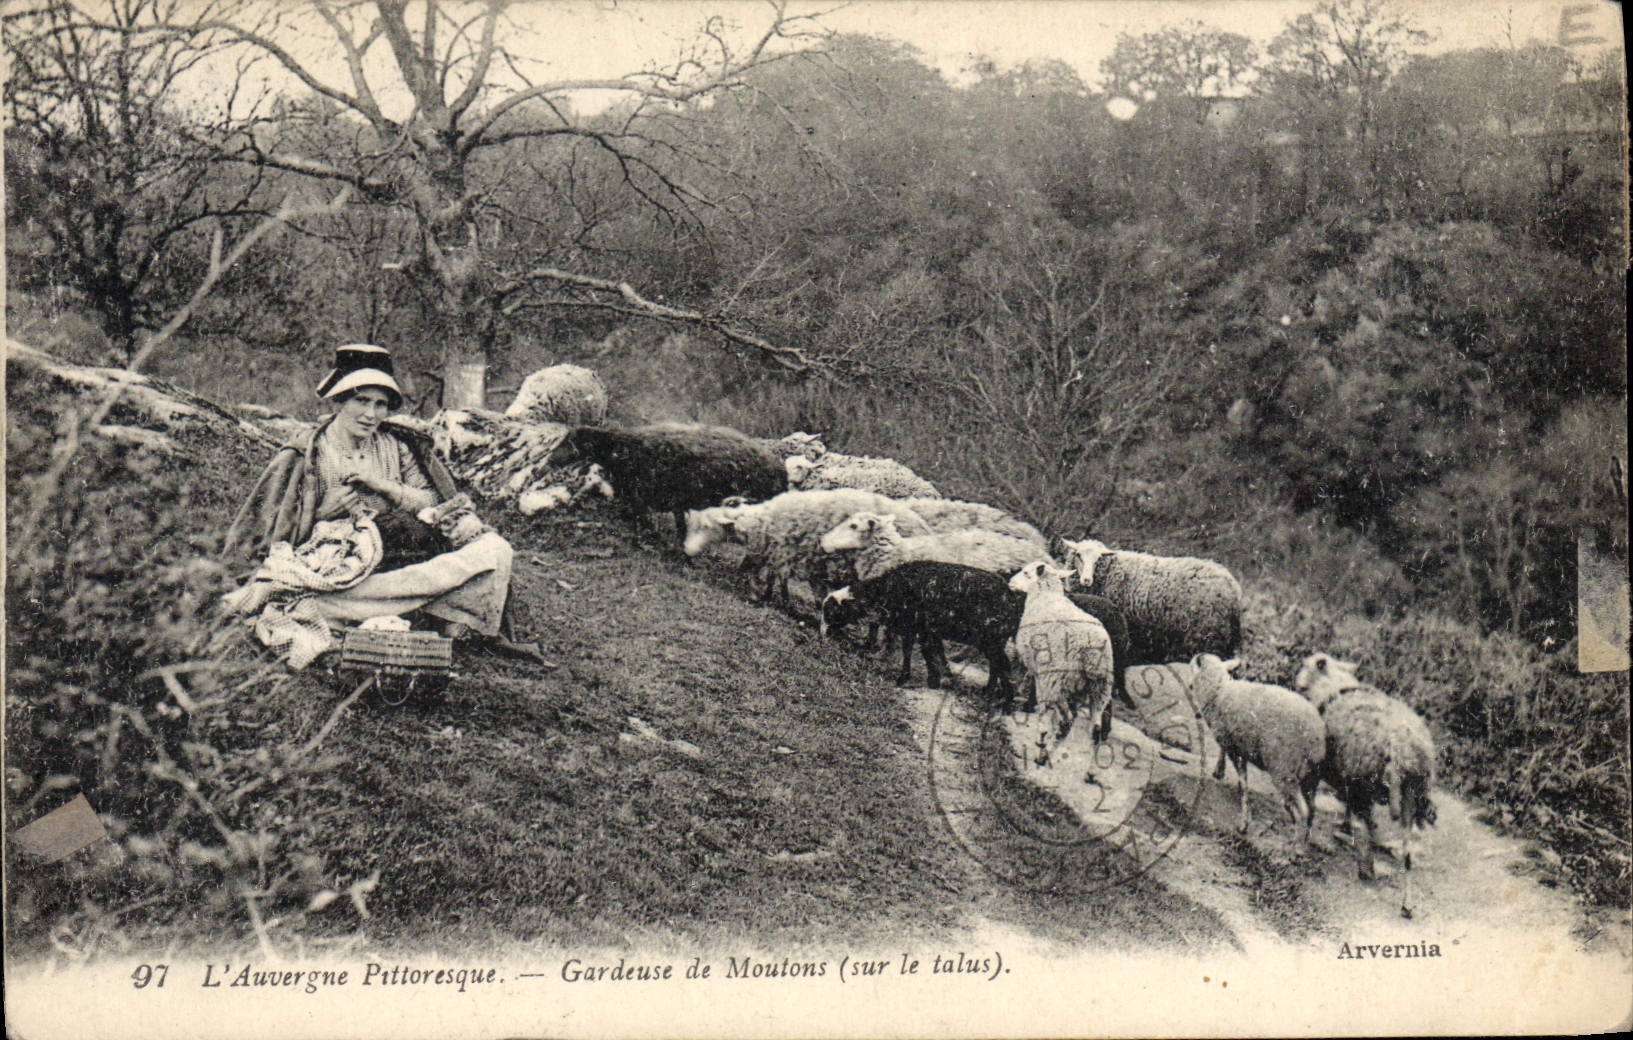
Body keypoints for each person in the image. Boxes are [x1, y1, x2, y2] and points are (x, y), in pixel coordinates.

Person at [224, 344, 516, 645]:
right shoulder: (309, 454)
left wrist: (384, 486)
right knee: (302, 595)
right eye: (361, 401)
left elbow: (433, 501)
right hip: (344, 572)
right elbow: (277, 537)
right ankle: (429, 610)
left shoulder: (397, 446)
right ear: (338, 401)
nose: (370, 414)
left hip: (401, 561)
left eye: (380, 404)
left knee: (495, 548)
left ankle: (406, 608)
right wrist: (323, 513)